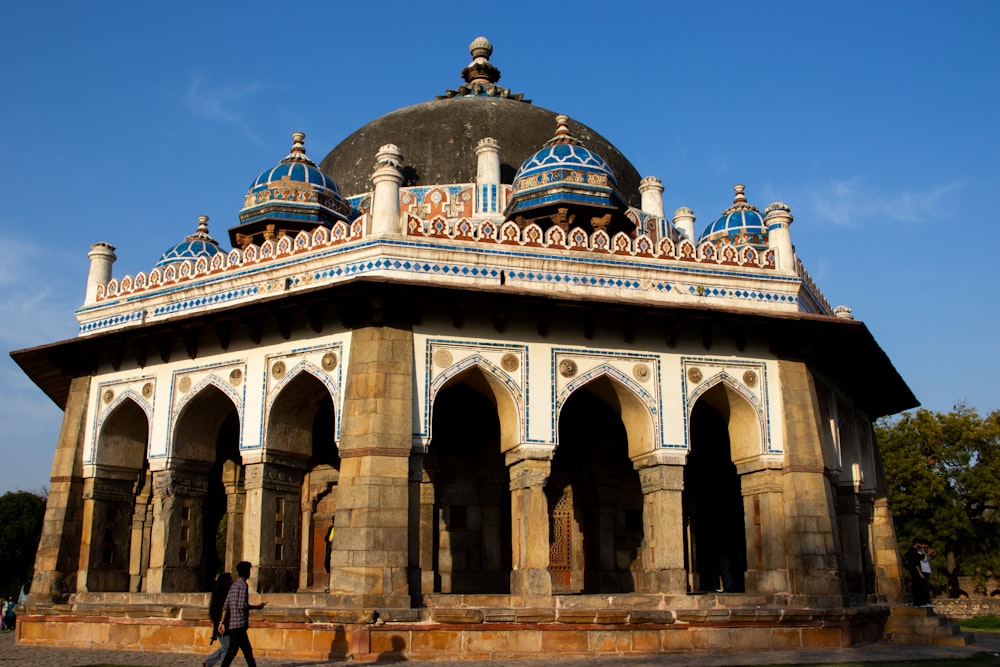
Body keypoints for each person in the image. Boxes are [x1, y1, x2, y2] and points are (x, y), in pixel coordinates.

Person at [218, 561, 266, 667]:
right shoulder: (243, 585)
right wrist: (256, 607)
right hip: (240, 623)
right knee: (235, 651)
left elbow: (226, 606)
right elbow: (242, 605)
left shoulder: (234, 585)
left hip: (233, 624)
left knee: (245, 650)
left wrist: (221, 622)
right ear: (247, 572)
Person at [202, 572, 232, 667]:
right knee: (227, 648)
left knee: (226, 647)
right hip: (224, 624)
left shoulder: (216, 595)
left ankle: (208, 662)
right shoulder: (225, 595)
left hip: (220, 624)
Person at [902, 538, 928, 606]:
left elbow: (922, 557)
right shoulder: (912, 552)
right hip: (916, 571)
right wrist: (920, 573)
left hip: (913, 570)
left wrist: (922, 549)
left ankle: (919, 602)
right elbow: (915, 563)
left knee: (917, 586)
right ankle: (918, 602)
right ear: (916, 543)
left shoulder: (912, 551)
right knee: (918, 586)